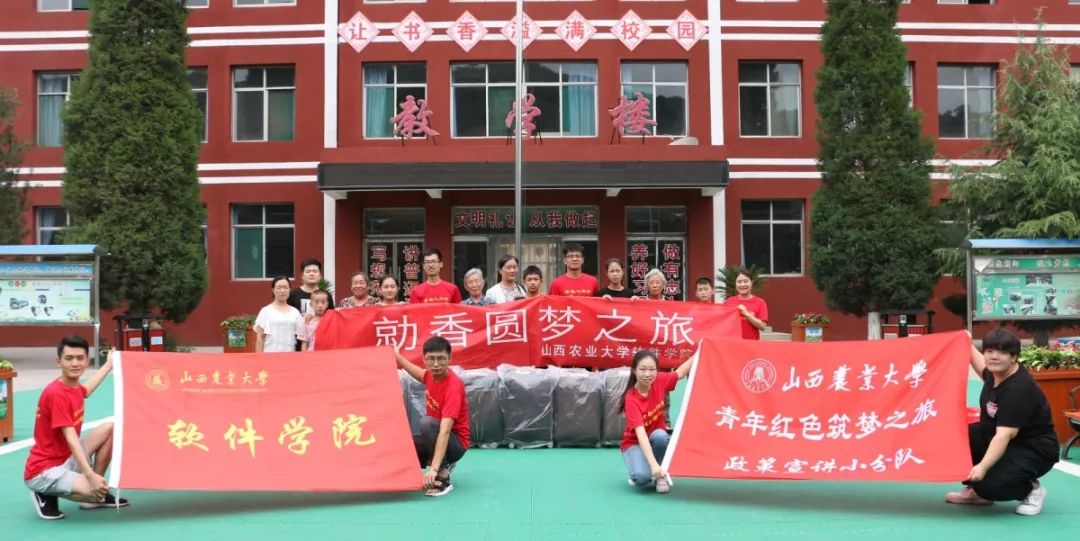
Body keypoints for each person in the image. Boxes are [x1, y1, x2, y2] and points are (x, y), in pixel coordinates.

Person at [945, 328, 1058, 515]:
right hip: (999, 436)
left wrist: (982, 467)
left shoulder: (1018, 389)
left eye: (1002, 352)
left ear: (1014, 357)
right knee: (960, 438)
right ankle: (975, 490)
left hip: (1033, 449)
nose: (994, 357)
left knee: (988, 485)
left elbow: (1004, 436)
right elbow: (979, 362)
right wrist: (965, 340)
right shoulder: (995, 373)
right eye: (989, 351)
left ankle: (1032, 489)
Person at [25, 335, 128, 520]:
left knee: (110, 428)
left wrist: (109, 365)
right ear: (59, 362)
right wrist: (89, 475)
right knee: (95, 491)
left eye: (80, 358)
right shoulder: (56, 393)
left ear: (87, 361)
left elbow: (86, 391)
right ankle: (44, 492)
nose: (75, 363)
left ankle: (95, 496)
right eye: (69, 358)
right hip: (43, 470)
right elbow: (71, 438)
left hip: (65, 458)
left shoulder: (72, 386)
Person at [395, 336, 470, 497]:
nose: (436, 364)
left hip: (456, 444)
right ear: (424, 359)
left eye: (441, 359)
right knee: (405, 445)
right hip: (439, 436)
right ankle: (439, 463)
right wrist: (398, 358)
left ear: (450, 358)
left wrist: (434, 468)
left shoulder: (453, 387)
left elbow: (444, 430)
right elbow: (419, 374)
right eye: (431, 359)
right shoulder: (431, 375)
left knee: (426, 424)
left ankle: (443, 472)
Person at [620, 349, 694, 494]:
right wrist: (653, 465)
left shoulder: (659, 380)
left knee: (661, 436)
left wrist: (701, 351)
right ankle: (644, 469)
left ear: (657, 370)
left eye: (652, 369)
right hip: (634, 443)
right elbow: (641, 435)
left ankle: (661, 476)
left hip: (655, 437)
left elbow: (680, 372)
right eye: (642, 369)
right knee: (642, 478)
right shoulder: (631, 399)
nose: (647, 374)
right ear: (634, 371)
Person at [254, 276, 305, 353]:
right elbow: (260, 337)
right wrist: (259, 357)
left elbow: (303, 336)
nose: (282, 291)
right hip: (269, 355)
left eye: (285, 287)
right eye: (279, 287)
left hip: (290, 355)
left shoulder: (295, 312)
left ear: (289, 290)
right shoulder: (265, 311)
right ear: (273, 290)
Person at [722, 269, 768, 340]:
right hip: (732, 344)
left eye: (746, 281)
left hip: (751, 345)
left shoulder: (760, 302)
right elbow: (722, 324)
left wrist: (747, 314)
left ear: (751, 283)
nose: (742, 284)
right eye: (739, 282)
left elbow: (762, 326)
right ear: (735, 284)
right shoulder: (728, 301)